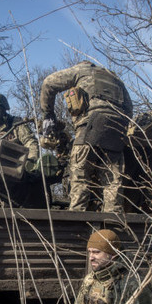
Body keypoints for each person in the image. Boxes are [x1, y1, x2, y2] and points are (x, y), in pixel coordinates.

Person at [39, 61, 133, 213]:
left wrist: (48, 115)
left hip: (91, 123)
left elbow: (48, 83)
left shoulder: (81, 71)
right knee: (113, 180)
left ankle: (77, 217)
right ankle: (113, 220)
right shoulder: (115, 79)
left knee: (80, 172)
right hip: (117, 125)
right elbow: (129, 109)